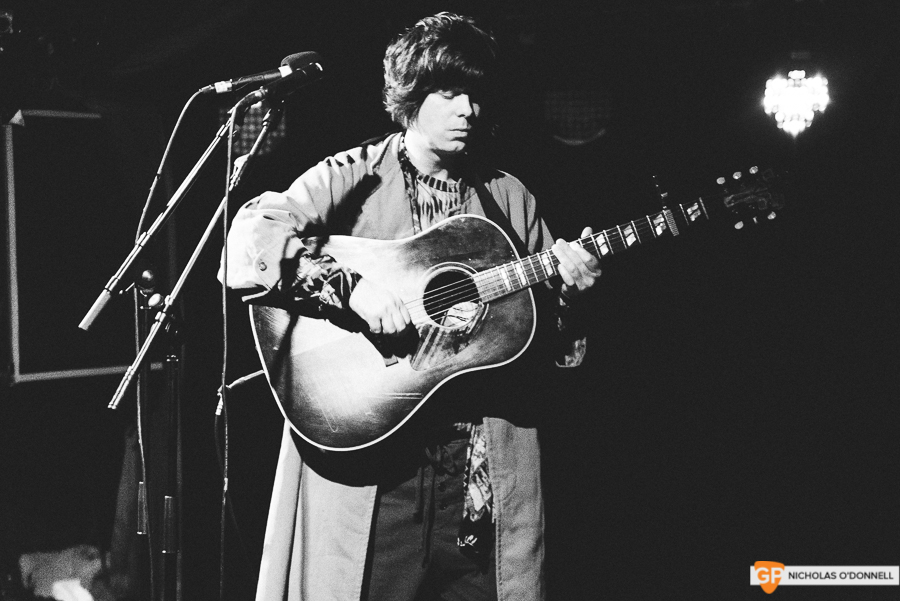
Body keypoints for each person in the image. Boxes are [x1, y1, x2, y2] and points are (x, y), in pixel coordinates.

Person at [220, 12, 601, 601]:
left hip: (479, 477)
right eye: (450, 92)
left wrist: (570, 294)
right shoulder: (352, 177)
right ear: (411, 95)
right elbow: (249, 241)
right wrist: (351, 289)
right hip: (378, 470)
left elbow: (548, 346)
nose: (468, 109)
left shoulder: (508, 197)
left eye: (476, 93)